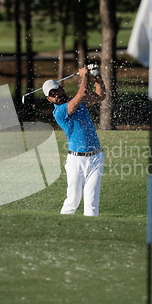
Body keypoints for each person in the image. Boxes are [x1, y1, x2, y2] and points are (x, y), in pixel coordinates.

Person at [43, 64, 106, 217]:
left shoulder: (78, 103)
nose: (56, 95)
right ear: (49, 99)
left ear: (61, 88)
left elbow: (100, 95)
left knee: (92, 203)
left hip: (96, 158)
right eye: (52, 94)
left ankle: (90, 237)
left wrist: (97, 76)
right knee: (72, 202)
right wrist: (84, 75)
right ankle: (61, 231)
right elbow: (83, 93)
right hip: (77, 162)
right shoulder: (59, 112)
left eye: (56, 90)